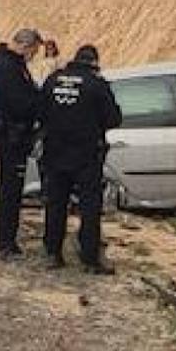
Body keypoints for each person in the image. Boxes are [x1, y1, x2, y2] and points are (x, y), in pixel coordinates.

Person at [39, 44, 123, 274]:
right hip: (86, 156)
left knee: (55, 204)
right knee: (89, 207)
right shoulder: (96, 84)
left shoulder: (53, 80)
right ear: (94, 62)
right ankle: (90, 258)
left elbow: (40, 112)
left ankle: (52, 253)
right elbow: (113, 118)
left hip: (55, 152)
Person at [0, 28, 52, 260]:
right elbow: (20, 104)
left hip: (12, 134)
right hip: (10, 135)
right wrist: (40, 103)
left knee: (13, 191)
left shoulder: (11, 65)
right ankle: (5, 244)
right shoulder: (7, 68)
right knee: (10, 191)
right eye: (33, 51)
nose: (33, 56)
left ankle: (8, 241)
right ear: (25, 46)